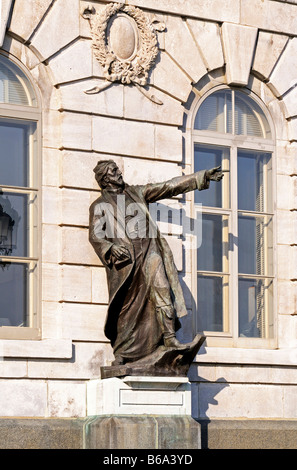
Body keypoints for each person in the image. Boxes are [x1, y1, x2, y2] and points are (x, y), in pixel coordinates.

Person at [89, 159, 223, 366]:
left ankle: (169, 338)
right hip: (126, 263)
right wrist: (111, 248)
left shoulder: (137, 192)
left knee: (162, 288)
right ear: (106, 178)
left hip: (150, 252)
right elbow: (96, 236)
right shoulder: (99, 206)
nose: (119, 172)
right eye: (114, 170)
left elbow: (167, 186)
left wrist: (199, 178)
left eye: (117, 168)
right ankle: (123, 352)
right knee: (127, 307)